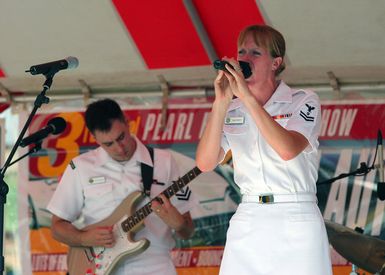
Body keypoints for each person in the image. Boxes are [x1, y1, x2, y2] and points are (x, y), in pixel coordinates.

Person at [196, 24, 332, 275]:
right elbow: (205, 163)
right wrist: (221, 103)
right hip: (249, 215)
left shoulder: (303, 100)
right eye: (241, 52)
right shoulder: (232, 109)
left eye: (255, 53)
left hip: (296, 215)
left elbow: (287, 150)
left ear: (275, 62)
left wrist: (247, 98)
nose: (245, 59)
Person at [47, 98, 195, 275]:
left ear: (127, 122)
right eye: (108, 144)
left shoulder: (164, 161)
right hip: (100, 267)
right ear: (94, 138)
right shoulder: (80, 167)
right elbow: (57, 228)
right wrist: (83, 238)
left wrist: (179, 224)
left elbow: (188, 231)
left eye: (121, 137)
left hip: (156, 267)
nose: (119, 148)